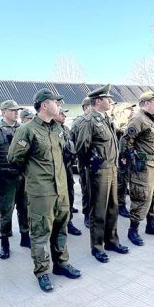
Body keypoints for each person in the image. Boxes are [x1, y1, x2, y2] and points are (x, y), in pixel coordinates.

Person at [8, 89, 81, 292]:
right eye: (56, 102)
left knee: (61, 228)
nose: (59, 105)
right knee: (40, 233)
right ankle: (42, 272)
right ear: (44, 105)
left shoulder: (57, 128)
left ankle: (61, 264)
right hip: (41, 192)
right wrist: (33, 175)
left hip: (61, 189)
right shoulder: (27, 130)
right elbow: (13, 158)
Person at [75, 84, 129, 263]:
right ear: (98, 101)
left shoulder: (106, 118)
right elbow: (81, 148)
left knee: (112, 208)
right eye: (107, 98)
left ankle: (112, 241)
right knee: (98, 211)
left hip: (112, 168)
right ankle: (97, 247)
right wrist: (92, 166)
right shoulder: (89, 121)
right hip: (98, 171)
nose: (110, 101)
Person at [122, 91, 154, 246]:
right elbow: (126, 141)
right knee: (141, 196)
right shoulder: (138, 119)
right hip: (143, 167)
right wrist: (132, 159)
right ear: (147, 103)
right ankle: (133, 230)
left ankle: (151, 225)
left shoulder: (152, 119)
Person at [0, 100, 29, 259]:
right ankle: (5, 242)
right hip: (4, 177)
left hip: (22, 175)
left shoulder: (23, 129)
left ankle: (25, 236)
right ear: (4, 112)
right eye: (12, 110)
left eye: (17, 110)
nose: (16, 113)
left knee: (24, 207)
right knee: (5, 211)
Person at [53, 107, 81, 236]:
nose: (64, 116)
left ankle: (68, 222)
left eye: (65, 113)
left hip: (67, 167)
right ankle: (56, 225)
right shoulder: (50, 129)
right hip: (55, 169)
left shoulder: (66, 129)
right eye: (61, 113)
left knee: (69, 194)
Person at [70, 97, 92, 227]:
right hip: (85, 161)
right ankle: (87, 215)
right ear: (86, 107)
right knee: (86, 189)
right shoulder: (78, 122)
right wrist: (78, 157)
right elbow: (72, 141)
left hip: (98, 162)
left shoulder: (96, 120)